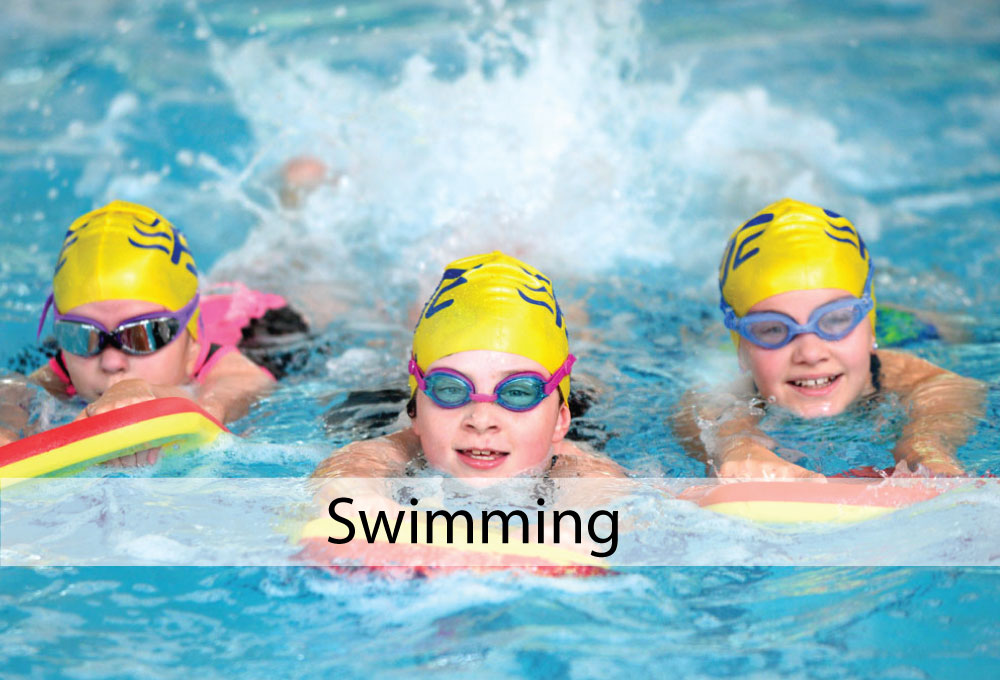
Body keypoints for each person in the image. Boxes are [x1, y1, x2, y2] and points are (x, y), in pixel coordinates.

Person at [674, 198, 985, 478]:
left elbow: (948, 387)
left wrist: (923, 446)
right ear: (742, 349)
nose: (810, 353)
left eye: (836, 319)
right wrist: (736, 446)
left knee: (953, 327)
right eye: (773, 328)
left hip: (911, 331)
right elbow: (701, 410)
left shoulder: (904, 374)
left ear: (869, 329)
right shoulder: (736, 393)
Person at [0, 200, 292, 464]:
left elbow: (222, 401)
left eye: (143, 334)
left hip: (253, 318)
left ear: (191, 342)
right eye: (81, 334)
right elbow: (17, 394)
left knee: (287, 266)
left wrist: (141, 394)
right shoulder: (71, 361)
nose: (111, 362)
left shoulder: (232, 364)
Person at [313, 251, 625, 482]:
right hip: (393, 400)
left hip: (568, 400)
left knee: (590, 362)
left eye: (518, 392)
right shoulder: (384, 452)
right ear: (415, 412)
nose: (481, 421)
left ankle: (578, 317)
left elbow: (601, 503)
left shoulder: (578, 467)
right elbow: (349, 483)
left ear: (560, 421)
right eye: (451, 389)